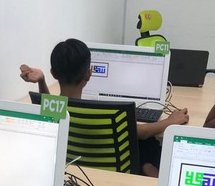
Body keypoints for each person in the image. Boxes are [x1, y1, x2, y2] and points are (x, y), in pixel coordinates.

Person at [19, 38, 189, 177]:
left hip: (74, 172)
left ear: (53, 73)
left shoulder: (56, 112)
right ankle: (148, 168)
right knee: (148, 143)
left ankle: (146, 165)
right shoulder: (99, 112)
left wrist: (41, 81)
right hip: (114, 174)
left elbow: (48, 105)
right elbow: (142, 132)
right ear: (88, 74)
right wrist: (170, 121)